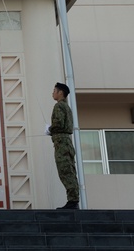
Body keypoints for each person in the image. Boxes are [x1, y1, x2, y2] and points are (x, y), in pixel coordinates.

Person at [48, 82, 80, 210]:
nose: (53, 93)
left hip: (61, 142)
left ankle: (72, 201)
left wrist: (49, 129)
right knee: (69, 170)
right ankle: (73, 200)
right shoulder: (67, 107)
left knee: (65, 171)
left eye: (54, 90)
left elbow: (59, 123)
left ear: (60, 92)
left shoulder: (59, 106)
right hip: (66, 142)